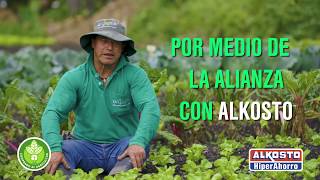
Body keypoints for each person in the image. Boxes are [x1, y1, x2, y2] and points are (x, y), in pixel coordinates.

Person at [41, 19, 161, 176]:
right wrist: (54, 148)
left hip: (121, 148)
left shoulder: (135, 75)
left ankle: (118, 174)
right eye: (104, 41)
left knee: (136, 149)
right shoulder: (74, 77)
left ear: (123, 47)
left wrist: (138, 142)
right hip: (83, 147)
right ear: (93, 43)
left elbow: (150, 108)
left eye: (116, 42)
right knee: (61, 155)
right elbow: (52, 112)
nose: (109, 48)